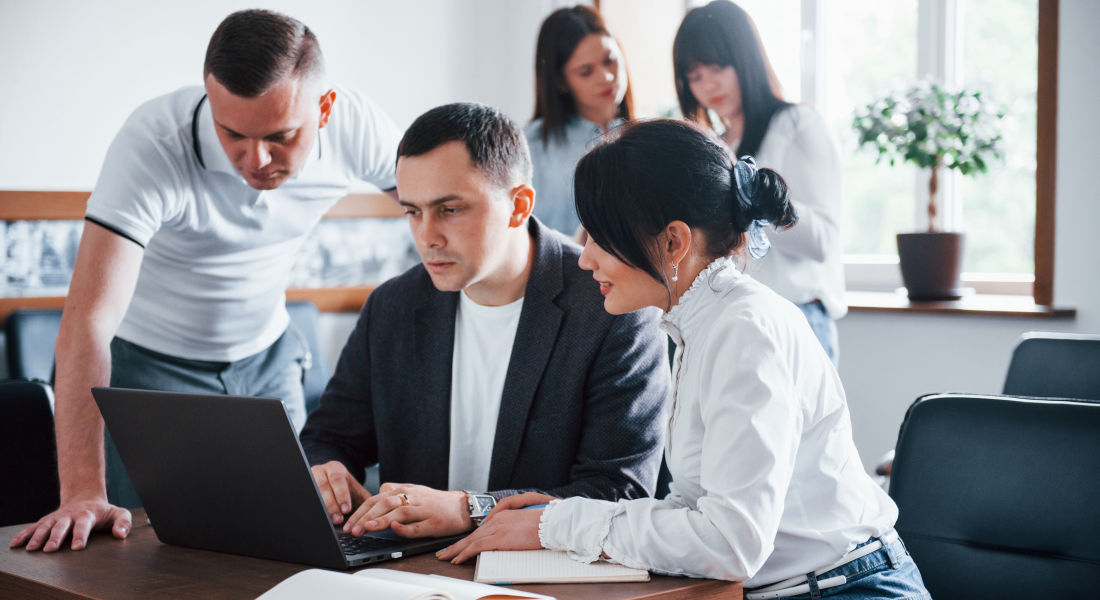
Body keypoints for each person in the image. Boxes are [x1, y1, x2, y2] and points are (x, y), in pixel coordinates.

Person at [438, 120, 930, 599]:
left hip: (847, 588)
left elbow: (731, 544)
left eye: (600, 237)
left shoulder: (744, 331)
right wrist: (561, 517)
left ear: (673, 242)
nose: (585, 258)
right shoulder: (701, 321)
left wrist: (557, 524)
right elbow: (695, 512)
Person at [10, 9, 403, 552]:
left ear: (325, 108)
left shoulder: (357, 127)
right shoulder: (154, 142)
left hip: (269, 360)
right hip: (149, 369)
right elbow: (88, 322)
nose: (255, 159)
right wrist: (81, 491)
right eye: (232, 133)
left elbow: (441, 200)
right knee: (150, 554)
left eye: (281, 136)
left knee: (293, 542)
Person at [299, 103, 669, 541]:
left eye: (450, 209)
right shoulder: (391, 306)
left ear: (518, 206)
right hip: (408, 568)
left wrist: (471, 510)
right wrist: (327, 471)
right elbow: (329, 437)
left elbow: (619, 492)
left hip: (545, 571)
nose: (426, 237)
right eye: (413, 211)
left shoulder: (614, 309)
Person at [673, 0, 845, 361]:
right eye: (695, 75)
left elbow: (823, 241)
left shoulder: (796, 125)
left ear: (745, 57)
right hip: (734, 322)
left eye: (717, 66)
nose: (708, 84)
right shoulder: (715, 145)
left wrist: (761, 197)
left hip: (797, 318)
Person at [525, 5, 633, 238]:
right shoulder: (532, 147)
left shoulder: (651, 135)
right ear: (560, 82)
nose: (606, 77)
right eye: (586, 72)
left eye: (610, 60)